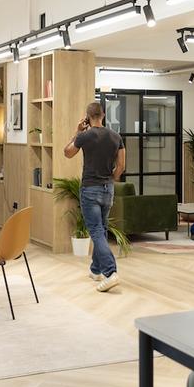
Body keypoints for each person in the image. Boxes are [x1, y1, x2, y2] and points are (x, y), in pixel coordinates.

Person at [63, 101, 126, 292]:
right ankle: (96, 270)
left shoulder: (85, 136)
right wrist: (111, 179)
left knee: (96, 231)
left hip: (90, 189)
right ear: (103, 115)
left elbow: (67, 153)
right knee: (102, 229)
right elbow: (121, 166)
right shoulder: (116, 136)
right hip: (108, 189)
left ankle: (111, 272)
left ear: (88, 117)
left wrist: (77, 132)